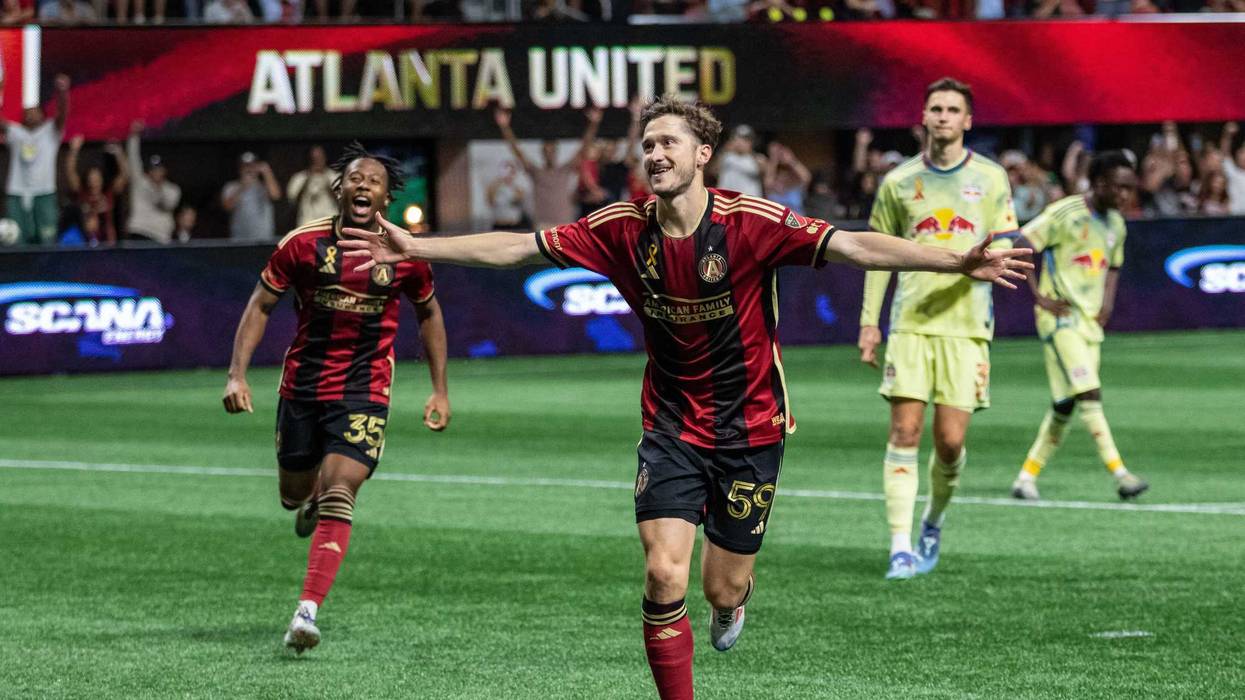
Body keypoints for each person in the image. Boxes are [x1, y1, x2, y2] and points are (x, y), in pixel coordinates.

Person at [338, 95, 1031, 700]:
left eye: (668, 142)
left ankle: (731, 604)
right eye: (647, 145)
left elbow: (854, 247)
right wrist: (419, 248)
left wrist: (956, 260)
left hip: (751, 428)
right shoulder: (620, 226)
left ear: (703, 154)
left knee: (720, 587)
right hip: (671, 425)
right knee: (663, 571)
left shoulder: (750, 221)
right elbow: (519, 247)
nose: (655, 154)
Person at [222, 143, 452, 654]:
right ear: (339, 189)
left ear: (386, 198)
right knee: (292, 493)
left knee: (341, 489)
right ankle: (307, 503)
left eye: (374, 180)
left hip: (364, 389)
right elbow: (260, 305)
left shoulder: (404, 253)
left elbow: (429, 313)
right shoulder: (303, 245)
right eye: (355, 178)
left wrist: (439, 388)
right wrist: (237, 375)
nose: (363, 185)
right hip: (303, 386)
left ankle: (306, 611)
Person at [857, 77, 1020, 581]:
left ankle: (933, 521)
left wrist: (991, 260)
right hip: (911, 323)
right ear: (924, 117)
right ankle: (900, 547)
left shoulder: (991, 178)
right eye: (936, 108)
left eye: (952, 109)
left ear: (967, 120)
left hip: (966, 327)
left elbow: (1006, 243)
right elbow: (878, 254)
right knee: (905, 431)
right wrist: (869, 322)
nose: (943, 116)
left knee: (949, 442)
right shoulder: (898, 182)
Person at [1010, 151, 1149, 502]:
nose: (1124, 195)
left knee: (1065, 405)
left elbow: (1113, 266)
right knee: (1089, 392)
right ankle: (1121, 474)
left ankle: (1026, 478)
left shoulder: (1116, 225)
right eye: (1118, 187)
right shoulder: (1066, 213)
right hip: (1060, 319)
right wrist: (1039, 297)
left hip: (1088, 322)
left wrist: (1108, 303)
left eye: (1129, 188)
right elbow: (1021, 244)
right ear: (1098, 183)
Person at [494, 106, 601, 231]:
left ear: (556, 152)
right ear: (542, 153)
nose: (549, 153)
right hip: (542, 226)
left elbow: (583, 148)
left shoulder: (564, 170)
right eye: (546, 150)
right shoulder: (536, 172)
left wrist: (594, 124)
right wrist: (504, 127)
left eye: (552, 150)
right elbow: (517, 152)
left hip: (564, 225)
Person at [3, 74, 69, 246]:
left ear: (42, 115)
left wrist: (62, 92)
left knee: (47, 240)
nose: (31, 114)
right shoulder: (16, 132)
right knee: (15, 241)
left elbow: (62, 113)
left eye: (35, 111)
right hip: (17, 193)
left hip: (44, 192)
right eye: (27, 112)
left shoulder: (50, 131)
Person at [125, 121, 182, 244]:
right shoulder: (141, 182)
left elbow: (165, 204)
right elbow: (133, 160)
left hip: (160, 237)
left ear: (164, 171)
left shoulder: (172, 190)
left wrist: (158, 187)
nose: (156, 172)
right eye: (153, 169)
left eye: (159, 169)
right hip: (140, 232)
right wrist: (133, 137)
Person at [65, 136, 127, 247]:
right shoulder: (83, 195)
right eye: (91, 179)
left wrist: (119, 153)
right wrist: (74, 150)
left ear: (102, 180)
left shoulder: (108, 195)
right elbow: (70, 173)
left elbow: (124, 175)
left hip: (108, 243)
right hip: (85, 242)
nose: (94, 182)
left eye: (97, 179)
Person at [222, 151, 281, 242]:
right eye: (245, 166)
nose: (249, 169)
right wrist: (242, 186)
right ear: (240, 168)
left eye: (252, 166)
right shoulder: (231, 187)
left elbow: (275, 196)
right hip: (239, 239)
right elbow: (227, 207)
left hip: (263, 238)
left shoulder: (264, 186)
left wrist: (267, 173)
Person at [287, 145, 339, 227]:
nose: (317, 161)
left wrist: (327, 184)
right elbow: (293, 202)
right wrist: (308, 179)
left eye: (319, 158)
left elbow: (341, 200)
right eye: (314, 159)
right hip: (307, 223)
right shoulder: (299, 178)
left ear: (325, 158)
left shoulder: (334, 176)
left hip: (329, 222)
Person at [713, 124, 764, 196]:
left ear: (751, 142)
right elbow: (713, 172)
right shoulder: (726, 156)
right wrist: (724, 150)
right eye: (738, 139)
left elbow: (767, 178)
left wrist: (749, 152)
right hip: (727, 198)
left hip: (748, 199)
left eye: (745, 140)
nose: (741, 142)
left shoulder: (757, 159)